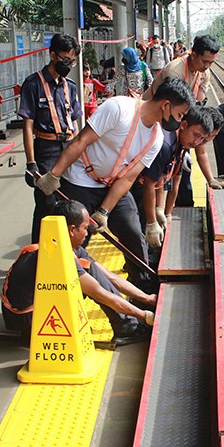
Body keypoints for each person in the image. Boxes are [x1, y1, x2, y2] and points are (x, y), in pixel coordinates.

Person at [34, 77, 194, 293]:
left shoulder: (155, 138)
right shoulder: (119, 108)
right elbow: (81, 141)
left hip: (112, 186)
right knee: (74, 241)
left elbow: (128, 178)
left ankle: (143, 290)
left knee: (133, 235)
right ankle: (56, 288)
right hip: (81, 180)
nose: (179, 120)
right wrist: (54, 175)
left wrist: (104, 211)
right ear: (166, 105)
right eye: (180, 114)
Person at [1, 199, 156, 346]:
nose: (88, 233)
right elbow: (100, 293)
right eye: (84, 227)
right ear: (72, 230)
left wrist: (148, 299)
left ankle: (126, 323)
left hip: (23, 309)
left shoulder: (59, 243)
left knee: (92, 269)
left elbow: (108, 276)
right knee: (89, 283)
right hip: (23, 318)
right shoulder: (59, 256)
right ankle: (127, 327)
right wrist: (144, 316)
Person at [144, 35, 224, 192]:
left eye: (211, 62)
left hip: (176, 117)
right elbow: (171, 110)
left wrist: (211, 180)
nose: (207, 66)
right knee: (158, 169)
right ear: (193, 54)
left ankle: (171, 204)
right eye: (205, 61)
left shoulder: (204, 73)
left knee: (179, 169)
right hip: (157, 119)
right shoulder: (174, 71)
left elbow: (197, 108)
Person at [18, 34, 82, 245]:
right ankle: (37, 255)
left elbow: (76, 122)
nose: (68, 65)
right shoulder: (33, 84)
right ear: (52, 55)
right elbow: (27, 126)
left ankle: (66, 252)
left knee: (71, 204)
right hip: (46, 149)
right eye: (64, 60)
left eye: (72, 61)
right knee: (46, 204)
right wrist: (31, 163)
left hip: (69, 147)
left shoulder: (69, 86)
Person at [131, 107, 214, 250]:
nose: (197, 142)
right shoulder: (166, 145)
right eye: (196, 135)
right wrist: (151, 222)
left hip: (145, 186)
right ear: (184, 125)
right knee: (139, 231)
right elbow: (149, 185)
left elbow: (165, 177)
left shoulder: (179, 142)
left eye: (202, 139)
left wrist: (161, 209)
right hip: (135, 185)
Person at [176, 107, 224, 207]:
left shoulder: (198, 137)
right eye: (210, 135)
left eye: (214, 136)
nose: (210, 139)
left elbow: (202, 153)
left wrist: (211, 180)